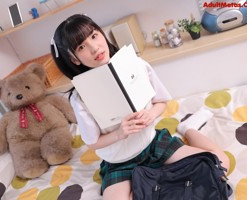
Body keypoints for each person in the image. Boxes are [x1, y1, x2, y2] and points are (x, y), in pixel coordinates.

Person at [51, 14, 230, 200]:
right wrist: (120, 133)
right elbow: (92, 142)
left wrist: (151, 114)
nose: (94, 48)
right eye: (82, 47)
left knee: (220, 164)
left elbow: (161, 102)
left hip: (153, 146)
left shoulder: (136, 64)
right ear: (74, 59)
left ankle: (188, 128)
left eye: (94, 36)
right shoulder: (80, 97)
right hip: (120, 162)